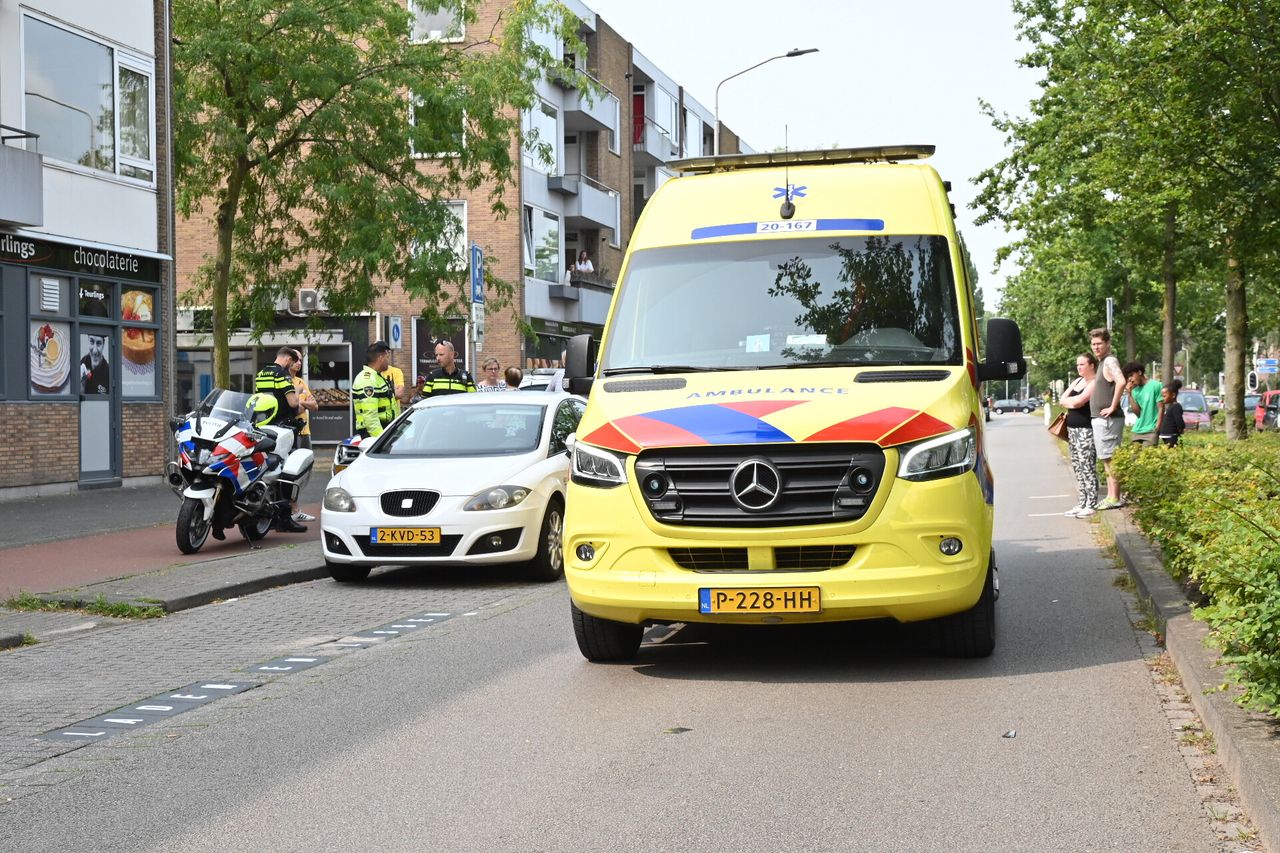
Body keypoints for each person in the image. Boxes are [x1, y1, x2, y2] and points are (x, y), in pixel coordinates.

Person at [252, 347, 306, 533]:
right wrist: (298, 391)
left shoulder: (261, 373)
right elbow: (293, 403)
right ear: (288, 359)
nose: (294, 365)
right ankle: (284, 517)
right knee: (286, 471)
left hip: (263, 426)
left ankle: (268, 514)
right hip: (283, 428)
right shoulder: (283, 375)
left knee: (266, 467)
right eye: (294, 361)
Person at [1059, 352, 1100, 518]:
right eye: (1077, 364)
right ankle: (1082, 502)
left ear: (1091, 365)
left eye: (1082, 364)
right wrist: (1069, 402)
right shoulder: (1077, 381)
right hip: (1072, 429)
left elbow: (1079, 401)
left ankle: (1091, 503)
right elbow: (1062, 399)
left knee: (1087, 465)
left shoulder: (1094, 382)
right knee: (1077, 466)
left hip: (1085, 430)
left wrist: (1070, 403)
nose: (1079, 367)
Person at [1089, 328, 1126, 509]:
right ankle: (1111, 496)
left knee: (1111, 459)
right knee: (1106, 459)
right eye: (1093, 344)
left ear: (1108, 344)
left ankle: (1115, 497)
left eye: (1099, 344)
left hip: (1108, 421)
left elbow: (1121, 381)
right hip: (1102, 420)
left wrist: (1112, 406)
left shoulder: (1110, 361)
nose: (1096, 347)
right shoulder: (1102, 362)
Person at [287, 350, 319, 523]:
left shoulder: (300, 382)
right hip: (293, 433)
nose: (299, 362)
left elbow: (315, 406)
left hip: (305, 432)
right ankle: (292, 509)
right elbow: (294, 408)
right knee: (292, 471)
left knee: (303, 472)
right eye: (296, 360)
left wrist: (301, 402)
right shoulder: (285, 381)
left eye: (301, 360)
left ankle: (295, 508)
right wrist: (302, 404)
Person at [352, 341, 400, 438]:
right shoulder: (367, 380)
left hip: (384, 430)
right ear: (381, 358)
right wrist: (381, 440)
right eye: (387, 357)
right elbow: (370, 417)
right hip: (375, 434)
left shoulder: (377, 377)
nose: (388, 361)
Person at [1122, 361, 1162, 447]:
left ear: (1139, 372)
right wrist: (1129, 394)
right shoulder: (1134, 391)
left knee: (1147, 455)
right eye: (1128, 377)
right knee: (1134, 455)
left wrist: (1157, 428)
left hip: (1151, 431)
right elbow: (1138, 414)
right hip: (1137, 430)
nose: (1130, 379)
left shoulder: (1156, 385)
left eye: (1131, 375)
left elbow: (1161, 408)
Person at [1158, 380, 1186, 446]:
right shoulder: (1170, 406)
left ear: (1173, 395)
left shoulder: (1176, 407)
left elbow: (1179, 421)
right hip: (1167, 436)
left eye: (1164, 396)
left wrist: (1181, 428)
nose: (1162, 398)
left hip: (1172, 436)